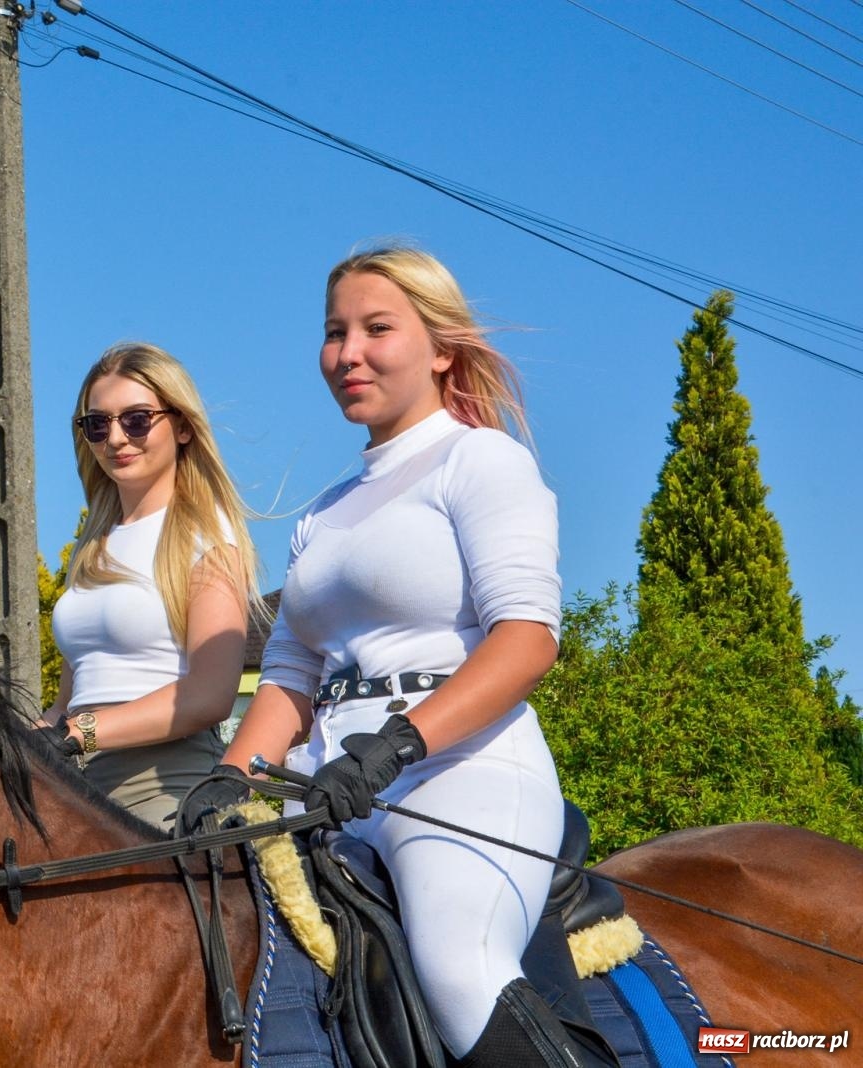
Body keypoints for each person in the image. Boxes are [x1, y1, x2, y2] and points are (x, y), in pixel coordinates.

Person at [188, 246, 609, 1067]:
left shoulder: (480, 460)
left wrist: (398, 746)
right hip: (326, 784)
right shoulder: (322, 514)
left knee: (460, 971)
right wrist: (229, 780)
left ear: (441, 347)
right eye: (334, 333)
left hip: (461, 773)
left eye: (376, 329)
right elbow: (290, 677)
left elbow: (527, 640)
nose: (348, 353)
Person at [43, 342, 266, 827]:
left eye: (137, 419)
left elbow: (209, 695)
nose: (116, 438)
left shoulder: (208, 535)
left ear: (183, 426)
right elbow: (69, 700)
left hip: (165, 786)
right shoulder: (94, 545)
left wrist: (81, 731)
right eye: (97, 424)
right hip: (73, 787)